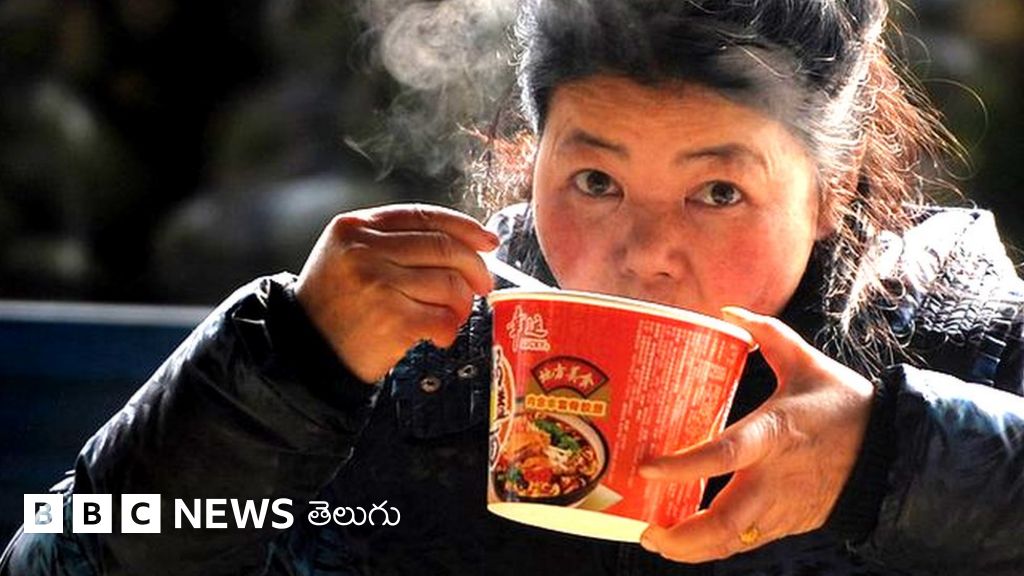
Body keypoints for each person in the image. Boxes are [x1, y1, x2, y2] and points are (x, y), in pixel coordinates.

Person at [4, 0, 1024, 574]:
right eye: (595, 182)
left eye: (718, 191)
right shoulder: (408, 353)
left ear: (829, 190)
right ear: (528, 161)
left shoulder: (959, 340)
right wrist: (283, 372)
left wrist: (897, 461)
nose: (643, 255)